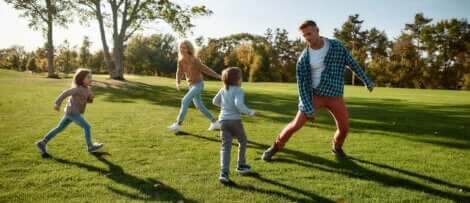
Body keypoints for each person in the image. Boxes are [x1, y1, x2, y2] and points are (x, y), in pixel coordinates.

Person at [262, 20, 374, 161]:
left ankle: (337, 147)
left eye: (309, 33)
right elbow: (302, 87)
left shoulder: (337, 46)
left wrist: (366, 80)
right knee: (296, 125)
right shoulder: (303, 59)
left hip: (335, 96)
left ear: (317, 30)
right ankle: (275, 147)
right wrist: (308, 108)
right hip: (315, 95)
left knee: (344, 128)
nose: (307, 37)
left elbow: (352, 64)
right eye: (304, 35)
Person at [35, 68, 103, 156]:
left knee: (59, 128)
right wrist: (57, 103)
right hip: (73, 112)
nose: (91, 79)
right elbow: (65, 93)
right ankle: (90, 146)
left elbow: (86, 100)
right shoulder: (77, 89)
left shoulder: (87, 89)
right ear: (81, 79)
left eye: (91, 77)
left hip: (70, 112)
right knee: (87, 127)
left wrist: (90, 98)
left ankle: (42, 142)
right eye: (88, 77)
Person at [212, 67, 256, 183]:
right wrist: (250, 112)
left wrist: (225, 107)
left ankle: (224, 173)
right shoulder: (238, 90)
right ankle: (241, 165)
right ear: (237, 79)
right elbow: (239, 105)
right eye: (240, 77)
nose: (242, 79)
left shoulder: (223, 89)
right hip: (235, 121)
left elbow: (214, 102)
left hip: (223, 121)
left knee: (225, 147)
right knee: (242, 141)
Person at [168, 40, 222, 133]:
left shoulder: (194, 60)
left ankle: (178, 124)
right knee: (199, 106)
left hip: (198, 84)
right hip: (191, 85)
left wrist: (217, 76)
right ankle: (215, 122)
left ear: (188, 48)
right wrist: (178, 81)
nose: (182, 49)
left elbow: (205, 69)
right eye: (181, 47)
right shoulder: (181, 61)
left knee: (184, 100)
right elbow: (179, 72)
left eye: (184, 47)